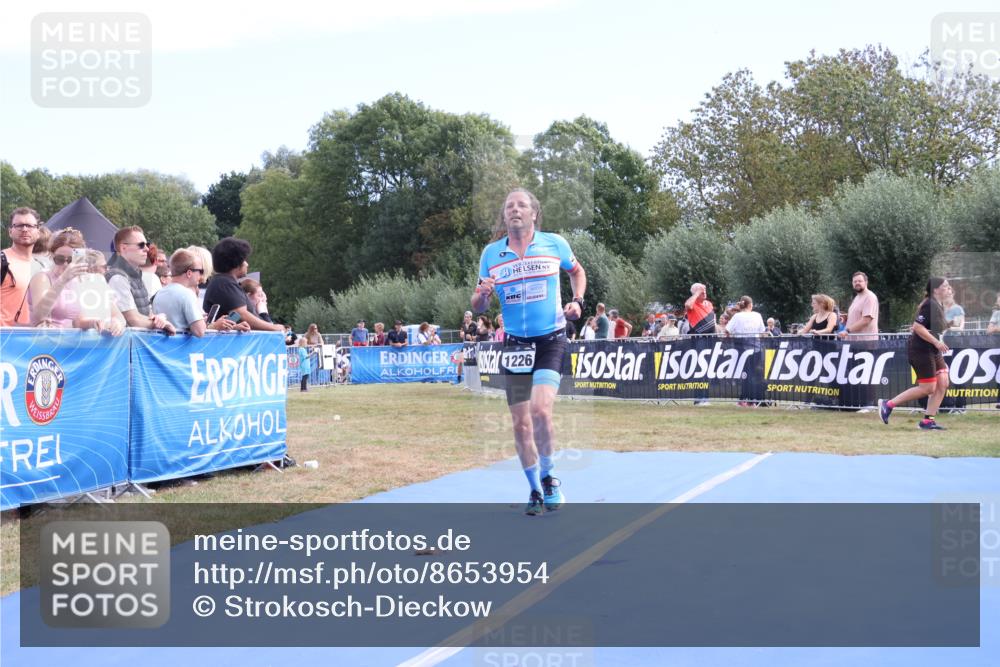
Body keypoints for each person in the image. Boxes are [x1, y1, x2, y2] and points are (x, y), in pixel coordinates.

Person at [472, 188, 586, 516]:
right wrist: (482, 295)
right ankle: (535, 489)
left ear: (534, 213)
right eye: (509, 206)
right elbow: (478, 302)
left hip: (551, 339)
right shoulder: (492, 254)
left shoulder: (555, 244)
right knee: (521, 425)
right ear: (504, 215)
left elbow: (577, 272)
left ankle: (549, 476)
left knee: (540, 411)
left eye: (522, 205)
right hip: (515, 345)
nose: (515, 210)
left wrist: (577, 302)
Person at [879, 278, 952, 430]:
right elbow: (917, 327)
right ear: (935, 290)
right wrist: (937, 342)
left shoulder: (938, 304)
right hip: (921, 350)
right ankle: (888, 404)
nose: (948, 288)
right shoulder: (929, 304)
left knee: (943, 383)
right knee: (928, 388)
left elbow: (932, 328)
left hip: (932, 349)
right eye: (945, 286)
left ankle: (927, 421)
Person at [27, 228, 126, 335]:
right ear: (52, 256)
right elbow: (38, 316)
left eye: (70, 260)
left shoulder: (90, 280)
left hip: (84, 346)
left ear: (81, 258)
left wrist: (117, 323)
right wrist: (62, 281)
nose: (65, 264)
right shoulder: (43, 278)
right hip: (51, 345)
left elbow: (117, 315)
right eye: (59, 259)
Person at [153, 249, 243, 336]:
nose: (201, 276)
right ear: (189, 273)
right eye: (200, 271)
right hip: (184, 349)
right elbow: (199, 331)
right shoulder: (186, 294)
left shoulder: (159, 293)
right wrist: (215, 326)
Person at [202, 237, 282, 332]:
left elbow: (234, 316)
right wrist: (274, 328)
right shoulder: (225, 283)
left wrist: (233, 326)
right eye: (244, 260)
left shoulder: (224, 283)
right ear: (236, 262)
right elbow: (241, 314)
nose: (247, 264)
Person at [105, 226, 175, 334]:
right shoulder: (117, 277)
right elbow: (133, 319)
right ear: (123, 248)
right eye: (141, 245)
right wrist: (161, 324)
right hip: (126, 346)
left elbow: (145, 313)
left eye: (146, 245)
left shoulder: (135, 274)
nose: (147, 249)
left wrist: (157, 318)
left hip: (136, 344)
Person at [2, 207, 44, 326]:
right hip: (5, 339)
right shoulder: (2, 261)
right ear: (10, 231)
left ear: (38, 232)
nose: (25, 229)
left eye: (30, 226)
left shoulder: (42, 266)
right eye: (19, 226)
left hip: (35, 340)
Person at [685, 283, 716, 406]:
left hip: (711, 339)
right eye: (701, 291)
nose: (704, 292)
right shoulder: (692, 303)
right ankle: (698, 398)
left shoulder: (709, 304)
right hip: (699, 339)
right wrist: (696, 293)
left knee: (708, 368)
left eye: (705, 290)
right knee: (700, 368)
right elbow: (687, 305)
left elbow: (713, 321)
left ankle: (706, 398)